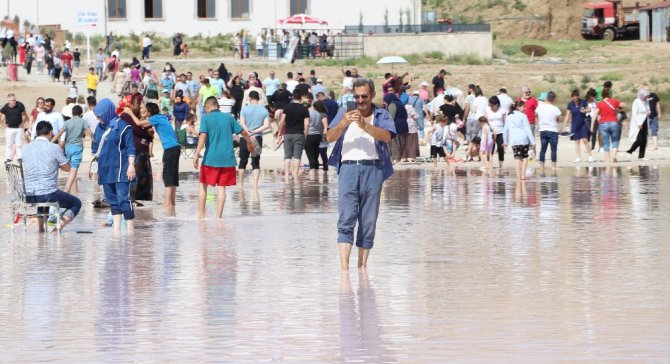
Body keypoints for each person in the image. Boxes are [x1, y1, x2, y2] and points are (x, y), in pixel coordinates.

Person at [325, 78, 396, 271]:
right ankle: (344, 269)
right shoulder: (345, 112)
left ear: (372, 95)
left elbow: (387, 136)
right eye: (356, 97)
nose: (361, 100)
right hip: (348, 167)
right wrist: (343, 123)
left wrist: (365, 125)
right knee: (346, 216)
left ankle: (362, 267)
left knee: (369, 219)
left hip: (373, 168)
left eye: (365, 96)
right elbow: (329, 136)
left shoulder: (381, 114)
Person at [193, 97, 255, 219]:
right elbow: (242, 132)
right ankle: (219, 218)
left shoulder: (206, 118)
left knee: (203, 185)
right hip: (228, 160)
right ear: (218, 106)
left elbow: (203, 136)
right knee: (222, 189)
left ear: (207, 107)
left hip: (211, 159)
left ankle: (201, 216)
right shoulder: (228, 118)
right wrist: (249, 142)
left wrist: (196, 153)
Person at [23, 121, 82, 233]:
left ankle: (41, 229)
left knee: (42, 193)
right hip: (47, 194)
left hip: (29, 194)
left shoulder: (26, 148)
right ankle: (57, 229)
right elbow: (67, 168)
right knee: (76, 203)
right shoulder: (54, 148)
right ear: (51, 133)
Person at [90, 98, 136, 234]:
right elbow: (95, 149)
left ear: (107, 112)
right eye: (97, 117)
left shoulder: (124, 126)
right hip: (105, 169)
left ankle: (130, 230)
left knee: (123, 199)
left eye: (100, 116)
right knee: (112, 201)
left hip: (122, 168)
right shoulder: (99, 128)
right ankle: (116, 232)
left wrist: (131, 165)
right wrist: (92, 168)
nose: (99, 119)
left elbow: (130, 147)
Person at [125, 102, 181, 208]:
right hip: (176, 148)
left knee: (168, 176)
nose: (144, 112)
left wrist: (129, 112)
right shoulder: (161, 117)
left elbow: (138, 123)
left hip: (170, 148)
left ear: (149, 112)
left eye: (145, 110)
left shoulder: (155, 118)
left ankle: (167, 204)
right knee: (173, 176)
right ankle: (172, 203)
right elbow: (146, 127)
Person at [49, 105, 92, 193]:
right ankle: (67, 189)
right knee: (74, 168)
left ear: (72, 113)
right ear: (81, 113)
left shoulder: (67, 122)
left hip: (68, 147)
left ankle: (76, 191)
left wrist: (50, 142)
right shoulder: (83, 122)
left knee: (72, 170)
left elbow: (59, 133)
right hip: (77, 147)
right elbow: (90, 134)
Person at [120, 94, 154, 204]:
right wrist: (146, 133)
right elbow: (137, 130)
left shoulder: (137, 116)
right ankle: (130, 199)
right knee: (134, 176)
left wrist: (147, 133)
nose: (140, 106)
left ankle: (134, 199)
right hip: (135, 150)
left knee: (141, 176)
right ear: (130, 104)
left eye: (140, 103)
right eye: (137, 104)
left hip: (142, 150)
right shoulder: (125, 116)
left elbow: (150, 134)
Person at [238, 91, 270, 188]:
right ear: (259, 98)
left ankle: (240, 185)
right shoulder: (264, 110)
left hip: (245, 137)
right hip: (257, 137)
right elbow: (266, 125)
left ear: (249, 98)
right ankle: (255, 185)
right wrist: (255, 131)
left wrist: (248, 131)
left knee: (243, 161)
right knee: (256, 162)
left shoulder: (244, 109)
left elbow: (242, 123)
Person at [278, 89, 309, 182]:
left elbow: (281, 121)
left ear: (292, 97)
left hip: (288, 133)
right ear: (301, 98)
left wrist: (279, 133)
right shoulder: (304, 109)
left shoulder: (286, 107)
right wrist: (305, 135)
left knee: (287, 156)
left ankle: (287, 175)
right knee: (297, 156)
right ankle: (295, 175)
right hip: (299, 134)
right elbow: (306, 124)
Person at [503, 101, 535, 180]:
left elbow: (505, 129)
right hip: (523, 139)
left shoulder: (509, 116)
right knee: (524, 157)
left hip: (514, 140)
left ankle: (518, 176)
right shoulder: (523, 116)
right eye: (523, 107)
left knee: (517, 157)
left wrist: (505, 141)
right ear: (518, 107)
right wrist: (533, 141)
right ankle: (523, 175)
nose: (525, 108)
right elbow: (528, 129)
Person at [591, 89, 625, 163]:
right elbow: (623, 105)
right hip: (614, 123)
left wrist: (592, 125)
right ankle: (614, 156)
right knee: (615, 140)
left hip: (603, 124)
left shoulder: (600, 104)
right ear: (609, 95)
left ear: (602, 96)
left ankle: (607, 159)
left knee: (606, 142)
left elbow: (594, 115)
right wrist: (618, 108)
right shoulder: (614, 101)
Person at [562, 89, 594, 163]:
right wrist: (564, 126)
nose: (575, 98)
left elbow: (589, 109)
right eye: (574, 97)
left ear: (578, 97)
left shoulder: (583, 102)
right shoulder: (570, 104)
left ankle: (590, 156)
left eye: (577, 97)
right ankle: (578, 157)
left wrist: (585, 111)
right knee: (576, 141)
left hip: (583, 123)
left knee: (585, 140)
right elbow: (567, 115)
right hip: (574, 124)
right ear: (572, 97)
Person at [536, 91, 562, 171]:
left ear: (546, 97)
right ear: (553, 99)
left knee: (543, 149)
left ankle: (541, 166)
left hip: (543, 130)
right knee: (553, 149)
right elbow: (560, 118)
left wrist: (539, 123)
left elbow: (536, 115)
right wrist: (555, 119)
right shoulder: (555, 108)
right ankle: (553, 166)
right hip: (552, 130)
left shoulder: (539, 107)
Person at [304, 97, 329, 174]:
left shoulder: (311, 113)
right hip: (318, 136)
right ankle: (316, 171)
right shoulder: (318, 114)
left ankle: (314, 172)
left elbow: (307, 124)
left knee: (313, 154)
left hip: (314, 135)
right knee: (316, 154)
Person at [1, 93, 28, 163]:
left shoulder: (20, 105)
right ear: (8, 101)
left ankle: (20, 158)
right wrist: (3, 124)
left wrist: (22, 123)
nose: (14, 101)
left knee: (18, 144)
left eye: (15, 100)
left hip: (18, 128)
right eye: (13, 100)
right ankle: (8, 158)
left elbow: (24, 114)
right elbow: (1, 115)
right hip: (9, 129)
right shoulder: (5, 107)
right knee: (9, 144)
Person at [626, 88, 651, 161]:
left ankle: (641, 156)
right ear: (642, 95)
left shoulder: (646, 101)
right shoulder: (636, 101)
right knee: (640, 139)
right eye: (646, 96)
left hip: (645, 120)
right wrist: (638, 123)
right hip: (639, 122)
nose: (647, 97)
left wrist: (648, 112)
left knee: (644, 139)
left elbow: (648, 109)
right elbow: (634, 113)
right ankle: (630, 151)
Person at [385, 91, 409, 164]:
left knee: (395, 143)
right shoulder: (400, 104)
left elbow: (391, 117)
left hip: (396, 126)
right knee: (402, 142)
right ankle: (399, 158)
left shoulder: (392, 104)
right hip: (404, 125)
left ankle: (395, 159)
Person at [485, 96, 506, 169]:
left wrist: (506, 132)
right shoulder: (487, 109)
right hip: (491, 132)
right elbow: (485, 121)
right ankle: (489, 164)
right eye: (490, 105)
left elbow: (504, 121)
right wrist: (491, 129)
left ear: (497, 104)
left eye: (492, 106)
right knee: (490, 148)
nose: (491, 107)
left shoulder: (502, 110)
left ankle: (501, 164)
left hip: (500, 131)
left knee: (501, 148)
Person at [646, 85, 661, 150]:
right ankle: (645, 145)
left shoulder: (654, 95)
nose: (647, 92)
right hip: (645, 117)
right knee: (644, 131)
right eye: (646, 90)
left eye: (648, 90)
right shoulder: (641, 96)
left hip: (654, 116)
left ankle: (655, 145)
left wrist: (659, 113)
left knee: (654, 130)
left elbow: (657, 104)